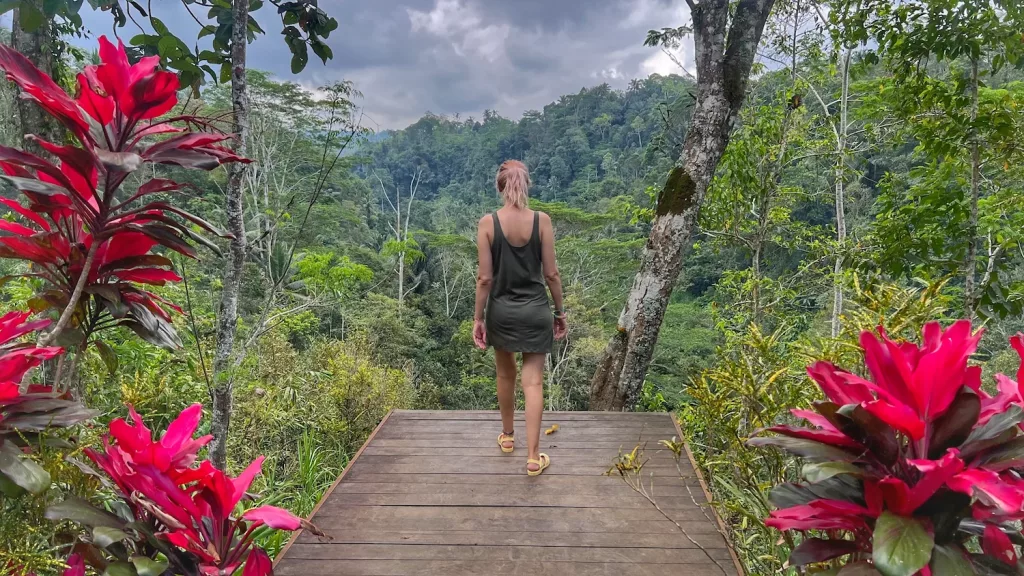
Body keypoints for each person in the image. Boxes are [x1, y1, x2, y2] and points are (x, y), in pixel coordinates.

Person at [473, 160, 566, 476]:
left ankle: (508, 437)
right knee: (533, 381)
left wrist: (478, 318)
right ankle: (533, 457)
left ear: (500, 187)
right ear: (526, 186)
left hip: (501, 312)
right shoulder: (542, 221)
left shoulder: (488, 224)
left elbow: (484, 279)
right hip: (536, 311)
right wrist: (560, 311)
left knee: (505, 375)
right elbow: (551, 273)